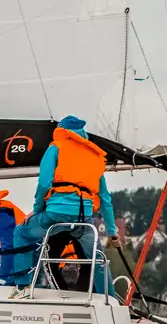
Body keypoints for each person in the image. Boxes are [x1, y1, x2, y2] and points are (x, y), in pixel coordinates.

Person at [8, 116, 117, 292]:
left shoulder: (56, 148)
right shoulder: (94, 156)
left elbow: (44, 183)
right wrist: (112, 232)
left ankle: (23, 287)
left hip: (55, 214)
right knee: (98, 259)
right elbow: (105, 199)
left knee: (21, 233)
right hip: (84, 217)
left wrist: (37, 210)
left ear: (61, 131)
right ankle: (110, 299)